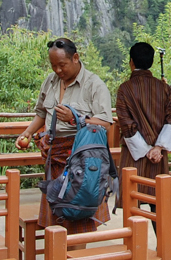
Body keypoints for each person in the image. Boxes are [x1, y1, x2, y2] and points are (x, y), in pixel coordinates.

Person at [15, 37, 113, 234]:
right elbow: (42, 113)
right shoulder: (50, 82)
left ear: (75, 58)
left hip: (82, 161)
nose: (58, 71)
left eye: (62, 65)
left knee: (78, 216)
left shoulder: (94, 85)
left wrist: (75, 119)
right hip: (54, 157)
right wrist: (28, 132)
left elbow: (106, 124)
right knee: (56, 217)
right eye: (53, 66)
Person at [114, 42, 171, 213]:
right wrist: (157, 148)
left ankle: (134, 240)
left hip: (133, 155)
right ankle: (162, 240)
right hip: (158, 155)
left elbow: (125, 123)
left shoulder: (124, 89)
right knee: (158, 203)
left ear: (131, 62)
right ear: (151, 62)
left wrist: (145, 149)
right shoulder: (164, 88)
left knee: (132, 201)